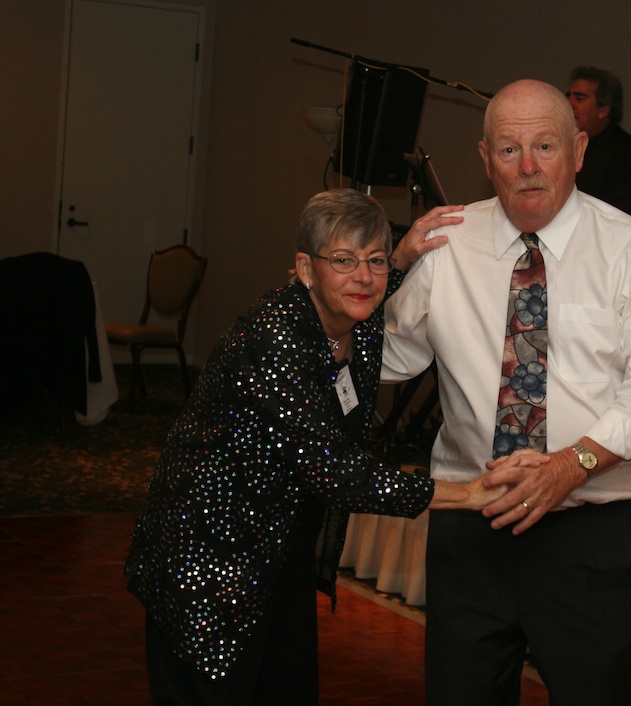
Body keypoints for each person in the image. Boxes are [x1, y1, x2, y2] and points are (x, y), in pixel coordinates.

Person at [124, 188, 513, 705]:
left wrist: (398, 257)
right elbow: (335, 471)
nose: (364, 276)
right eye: (344, 260)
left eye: (373, 260)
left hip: (278, 555)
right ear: (305, 269)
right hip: (208, 564)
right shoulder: (275, 338)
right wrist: (467, 494)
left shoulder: (355, 320)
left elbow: (368, 287)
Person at [381, 79, 631, 704]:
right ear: (485, 158)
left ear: (578, 150)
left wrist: (569, 468)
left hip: (588, 538)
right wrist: (389, 269)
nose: (528, 166)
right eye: (509, 149)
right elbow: (382, 359)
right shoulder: (446, 244)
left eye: (544, 145)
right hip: (471, 529)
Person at [566, 65, 631, 222]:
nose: (569, 103)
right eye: (568, 96)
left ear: (603, 110)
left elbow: (626, 220)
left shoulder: (628, 154)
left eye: (579, 98)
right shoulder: (561, 147)